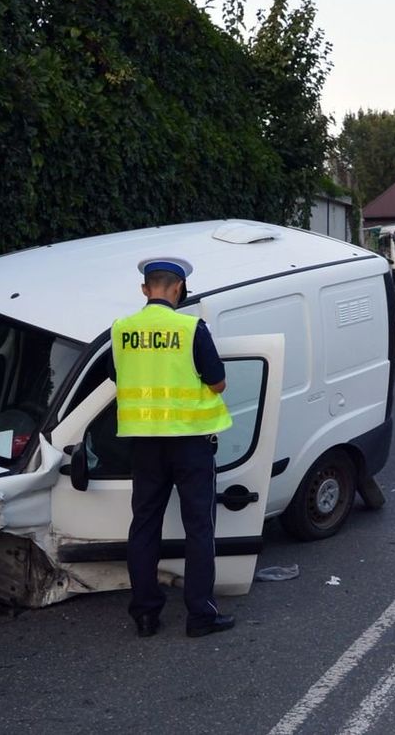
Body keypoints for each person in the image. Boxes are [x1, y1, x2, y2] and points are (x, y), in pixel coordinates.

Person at [111, 257, 235, 638]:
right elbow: (218, 383)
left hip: (144, 444)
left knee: (144, 527)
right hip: (191, 441)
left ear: (145, 289)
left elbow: (118, 376)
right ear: (179, 289)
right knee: (199, 527)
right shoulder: (191, 328)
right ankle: (200, 616)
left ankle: (145, 615)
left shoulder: (121, 330)